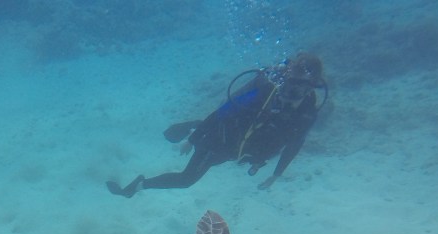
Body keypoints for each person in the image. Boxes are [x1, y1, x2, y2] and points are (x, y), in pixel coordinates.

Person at [107, 52, 326, 197]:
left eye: (298, 91)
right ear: (283, 82)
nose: (290, 97)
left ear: (311, 88)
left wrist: (277, 173)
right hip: (217, 138)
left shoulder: (307, 110)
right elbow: (224, 111)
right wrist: (192, 140)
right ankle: (137, 186)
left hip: (236, 148)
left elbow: (295, 143)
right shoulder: (266, 92)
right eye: (288, 88)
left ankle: (193, 128)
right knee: (186, 180)